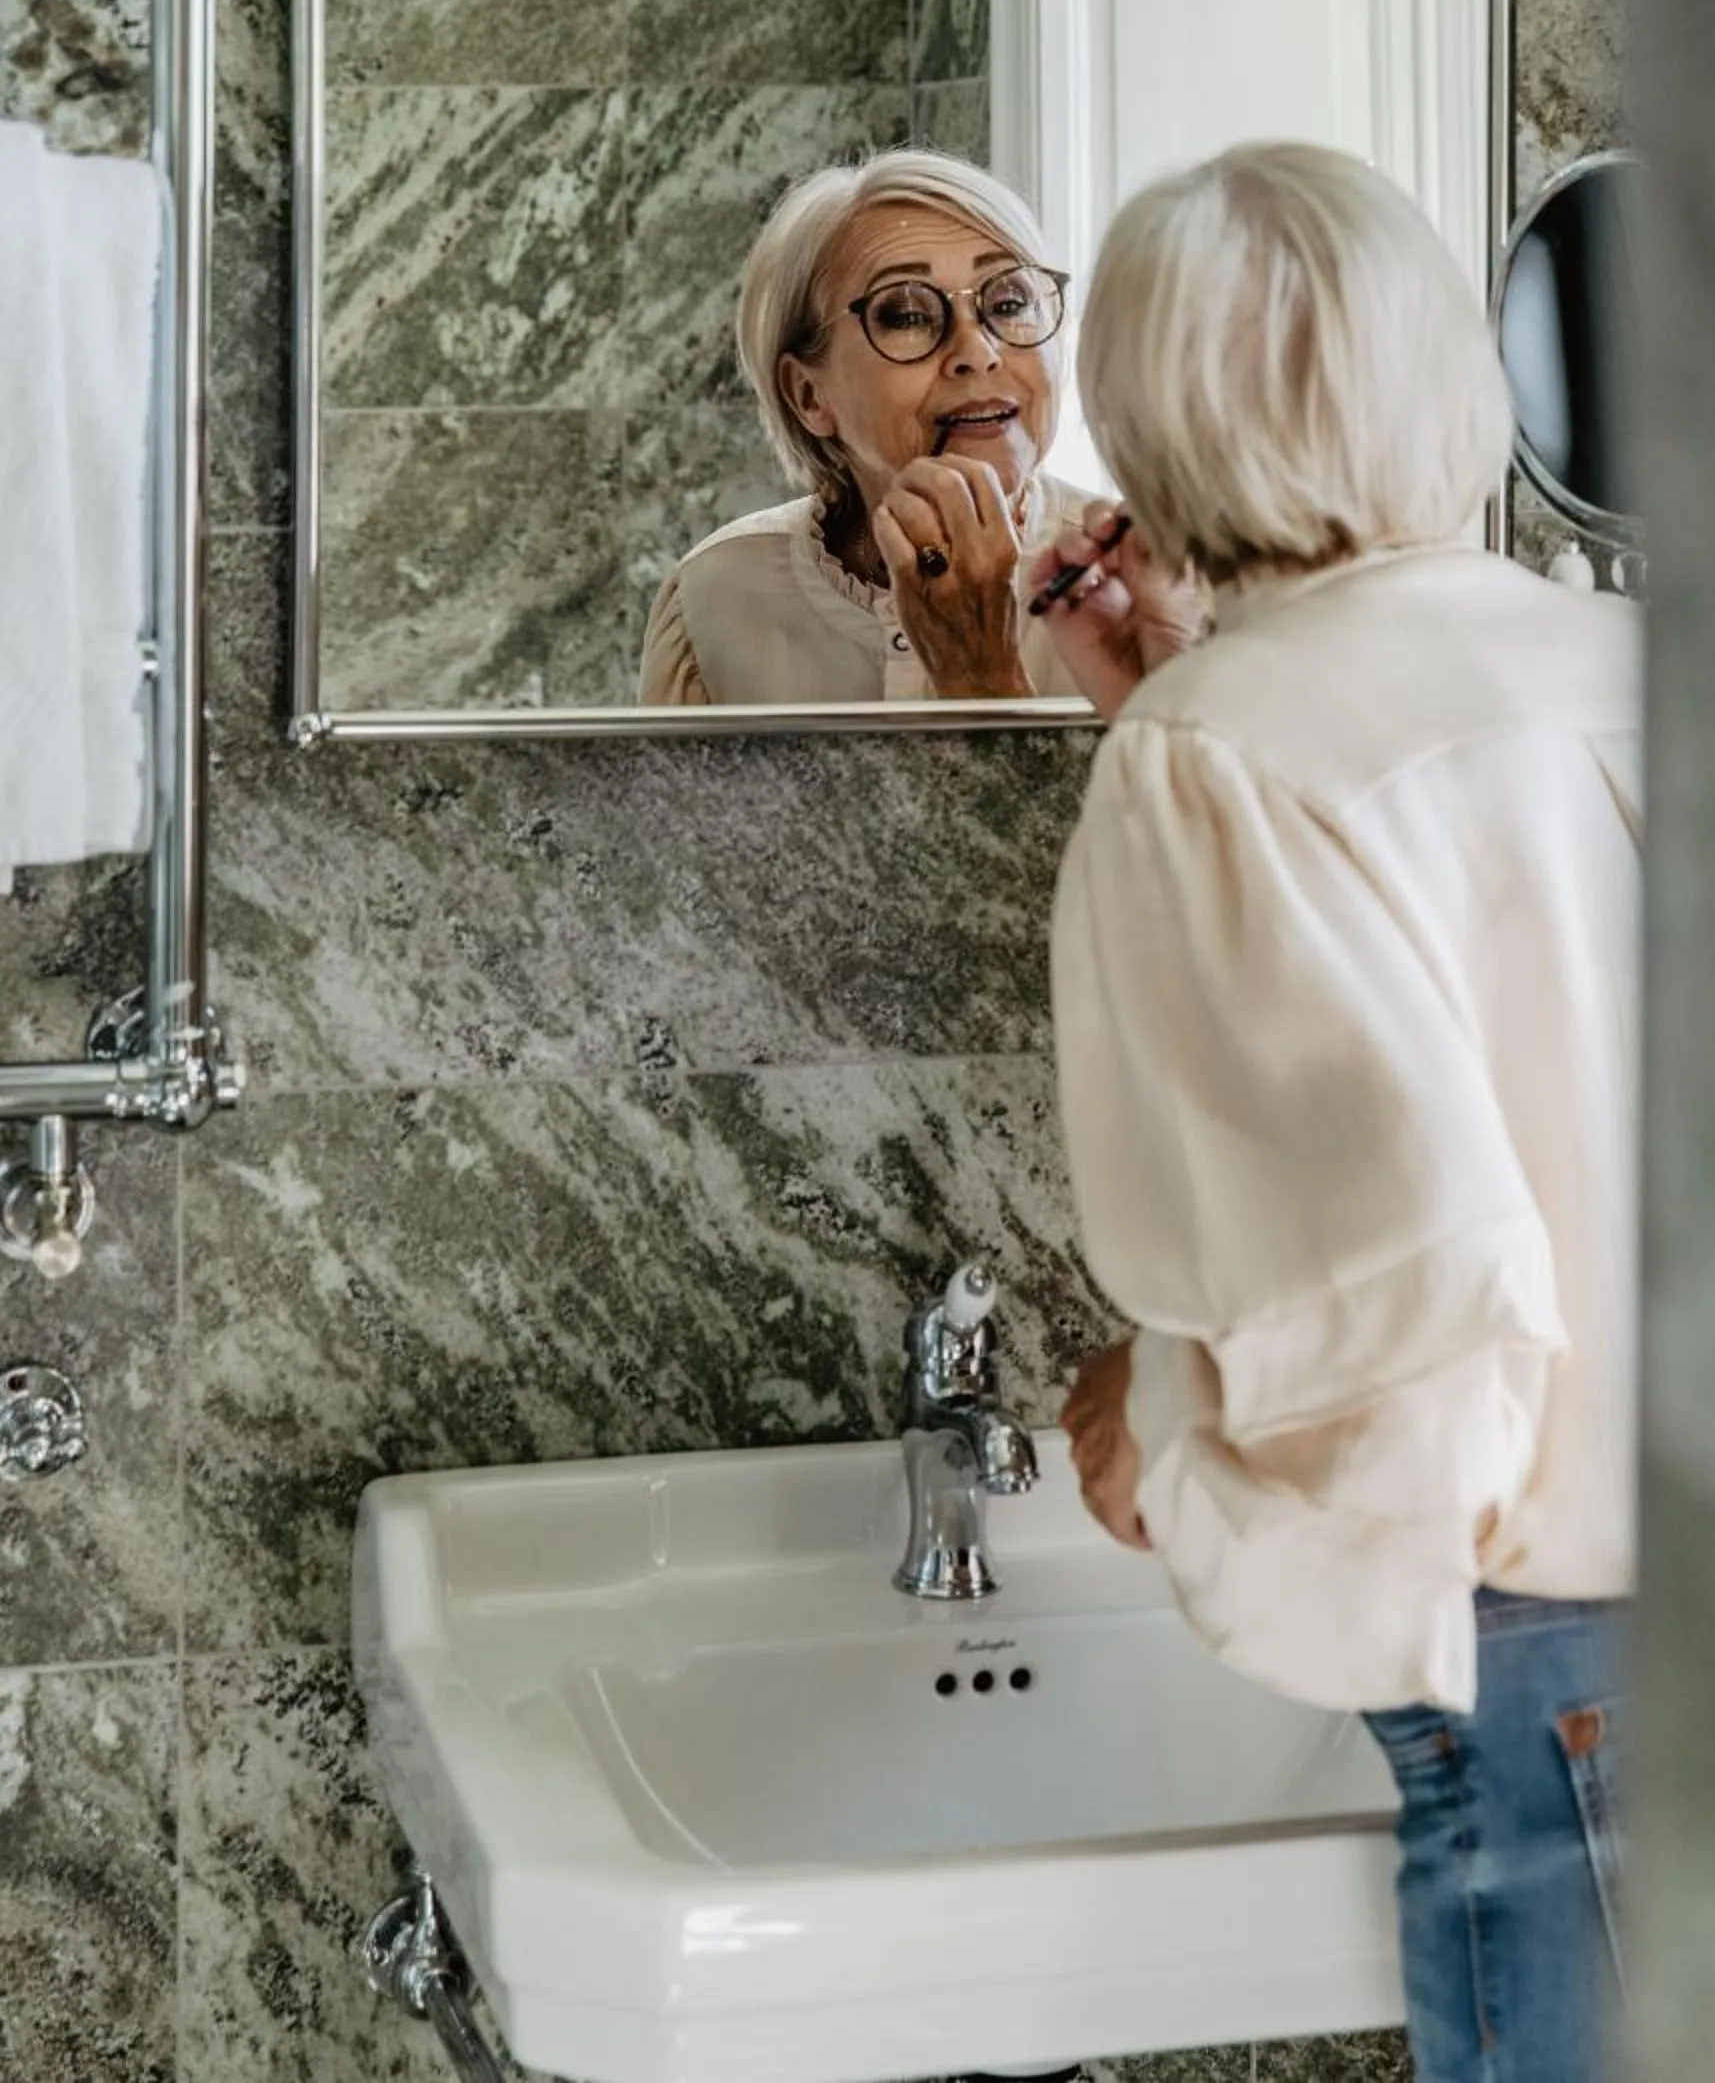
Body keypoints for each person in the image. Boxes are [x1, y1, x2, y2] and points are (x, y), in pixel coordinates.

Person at [1032, 143, 1641, 2083]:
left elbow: (1401, 1304)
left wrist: (1175, 1432)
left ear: (1139, 418)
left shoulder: (1216, 766)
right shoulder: (1637, 663)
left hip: (1571, 1665)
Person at [639, 151, 1100, 706]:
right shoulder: (715, 601)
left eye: (1008, 302)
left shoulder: (1151, 587)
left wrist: (982, 674)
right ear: (809, 395)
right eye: (907, 315)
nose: (977, 353)